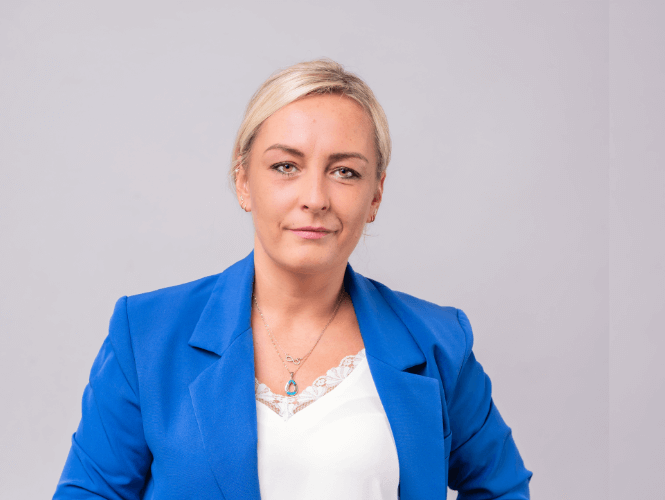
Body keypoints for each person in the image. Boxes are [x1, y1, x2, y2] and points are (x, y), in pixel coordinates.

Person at [53, 59, 532, 500]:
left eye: (345, 172)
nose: (315, 197)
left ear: (375, 195)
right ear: (243, 181)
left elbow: (502, 488)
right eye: (286, 166)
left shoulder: (439, 341)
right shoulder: (146, 333)